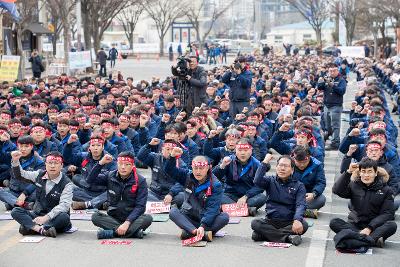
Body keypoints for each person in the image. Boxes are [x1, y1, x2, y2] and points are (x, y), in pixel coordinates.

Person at [330, 158, 397, 248]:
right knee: (334, 222)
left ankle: (353, 239)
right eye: (363, 171)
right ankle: (371, 240)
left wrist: (369, 228)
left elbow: (387, 213)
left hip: (374, 227)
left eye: (370, 171)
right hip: (355, 225)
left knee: (392, 225)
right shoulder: (354, 185)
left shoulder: (386, 190)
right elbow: (337, 190)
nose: (366, 175)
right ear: (359, 173)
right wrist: (348, 172)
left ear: (376, 173)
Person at [89, 152, 153, 239]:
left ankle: (111, 233)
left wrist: (127, 222)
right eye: (120, 164)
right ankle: (134, 233)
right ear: (117, 164)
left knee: (148, 218)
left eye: (127, 164)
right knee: (95, 217)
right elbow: (90, 180)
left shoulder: (140, 181)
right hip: (113, 218)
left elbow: (140, 207)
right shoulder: (110, 176)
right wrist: (100, 163)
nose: (123, 167)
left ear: (133, 165)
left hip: (132, 219)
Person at [167, 152, 229, 241]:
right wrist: (172, 157)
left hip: (207, 220)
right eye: (195, 168)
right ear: (192, 167)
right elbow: (170, 170)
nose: (198, 171)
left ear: (208, 168)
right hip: (189, 217)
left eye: (201, 168)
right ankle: (197, 232)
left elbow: (212, 209)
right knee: (173, 212)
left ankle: (190, 232)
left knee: (224, 217)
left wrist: (203, 226)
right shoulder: (187, 176)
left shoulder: (215, 184)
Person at [10, 151, 73, 238]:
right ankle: (41, 230)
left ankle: (31, 227)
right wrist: (15, 161)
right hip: (38, 214)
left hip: (54, 217)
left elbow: (64, 205)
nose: (52, 166)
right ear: (45, 164)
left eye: (56, 163)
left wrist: (45, 218)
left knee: (64, 217)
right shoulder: (39, 174)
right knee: (16, 211)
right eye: (50, 163)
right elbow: (20, 175)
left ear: (62, 166)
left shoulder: (67, 183)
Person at [251, 154, 308, 246]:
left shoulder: (299, 185)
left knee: (304, 225)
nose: (282, 168)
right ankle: (287, 237)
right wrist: (265, 162)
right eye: (280, 165)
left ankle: (265, 235)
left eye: (286, 166)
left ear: (292, 170)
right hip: (271, 221)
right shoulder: (270, 180)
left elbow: (301, 204)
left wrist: (297, 220)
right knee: (255, 223)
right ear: (276, 167)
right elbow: (257, 180)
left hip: (289, 222)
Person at [213, 139, 266, 216]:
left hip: (248, 196)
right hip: (230, 195)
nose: (243, 153)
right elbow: (213, 177)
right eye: (240, 150)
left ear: (251, 150)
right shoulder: (228, 160)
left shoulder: (257, 164)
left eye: (245, 150)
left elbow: (260, 186)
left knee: (262, 197)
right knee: (217, 195)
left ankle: (230, 209)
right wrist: (222, 166)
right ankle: (248, 209)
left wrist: (246, 196)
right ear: (235, 150)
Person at [0, 136, 43, 210]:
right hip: (13, 191)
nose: (23, 149)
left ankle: (12, 203)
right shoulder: (12, 156)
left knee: (41, 193)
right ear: (17, 146)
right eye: (21, 146)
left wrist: (25, 193)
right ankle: (22, 205)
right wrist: (1, 142)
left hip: (29, 193)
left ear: (32, 146)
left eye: (26, 146)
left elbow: (38, 181)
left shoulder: (39, 161)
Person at [291, 145, 326, 218]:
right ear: (294, 158)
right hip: (291, 194)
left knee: (321, 199)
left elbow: (321, 182)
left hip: (306, 196)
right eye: (299, 162)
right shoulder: (288, 163)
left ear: (309, 157)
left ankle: (291, 210)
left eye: (305, 162)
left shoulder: (317, 165)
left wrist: (314, 194)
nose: (302, 165)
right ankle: (304, 212)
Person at [318, 63, 347, 150]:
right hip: (327, 105)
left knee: (335, 125)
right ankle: (330, 137)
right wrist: (321, 81)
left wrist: (332, 85)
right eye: (330, 71)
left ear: (337, 71)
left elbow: (342, 91)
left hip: (336, 105)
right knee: (328, 125)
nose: (332, 72)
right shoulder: (327, 78)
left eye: (334, 71)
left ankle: (335, 143)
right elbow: (320, 88)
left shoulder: (341, 80)